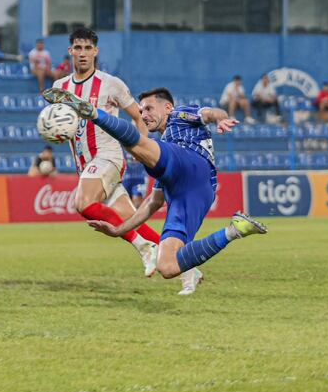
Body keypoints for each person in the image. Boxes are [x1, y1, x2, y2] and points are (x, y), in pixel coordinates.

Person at [44, 85, 268, 295]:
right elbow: (153, 202)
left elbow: (210, 113)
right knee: (168, 266)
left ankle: (91, 112)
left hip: (191, 163)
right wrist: (118, 230)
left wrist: (223, 117)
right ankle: (235, 230)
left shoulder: (179, 116)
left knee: (139, 145)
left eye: (149, 108)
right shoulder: (160, 151)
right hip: (189, 195)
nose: (143, 115)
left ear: (167, 107)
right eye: (141, 111)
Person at [47, 27, 161, 277]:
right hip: (85, 164)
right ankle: (186, 265)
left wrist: (140, 147)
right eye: (78, 47)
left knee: (83, 203)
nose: (83, 53)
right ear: (70, 51)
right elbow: (59, 123)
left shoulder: (111, 84)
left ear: (96, 51)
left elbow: (139, 116)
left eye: (88, 48)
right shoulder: (60, 87)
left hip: (108, 156)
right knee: (133, 220)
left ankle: (143, 248)